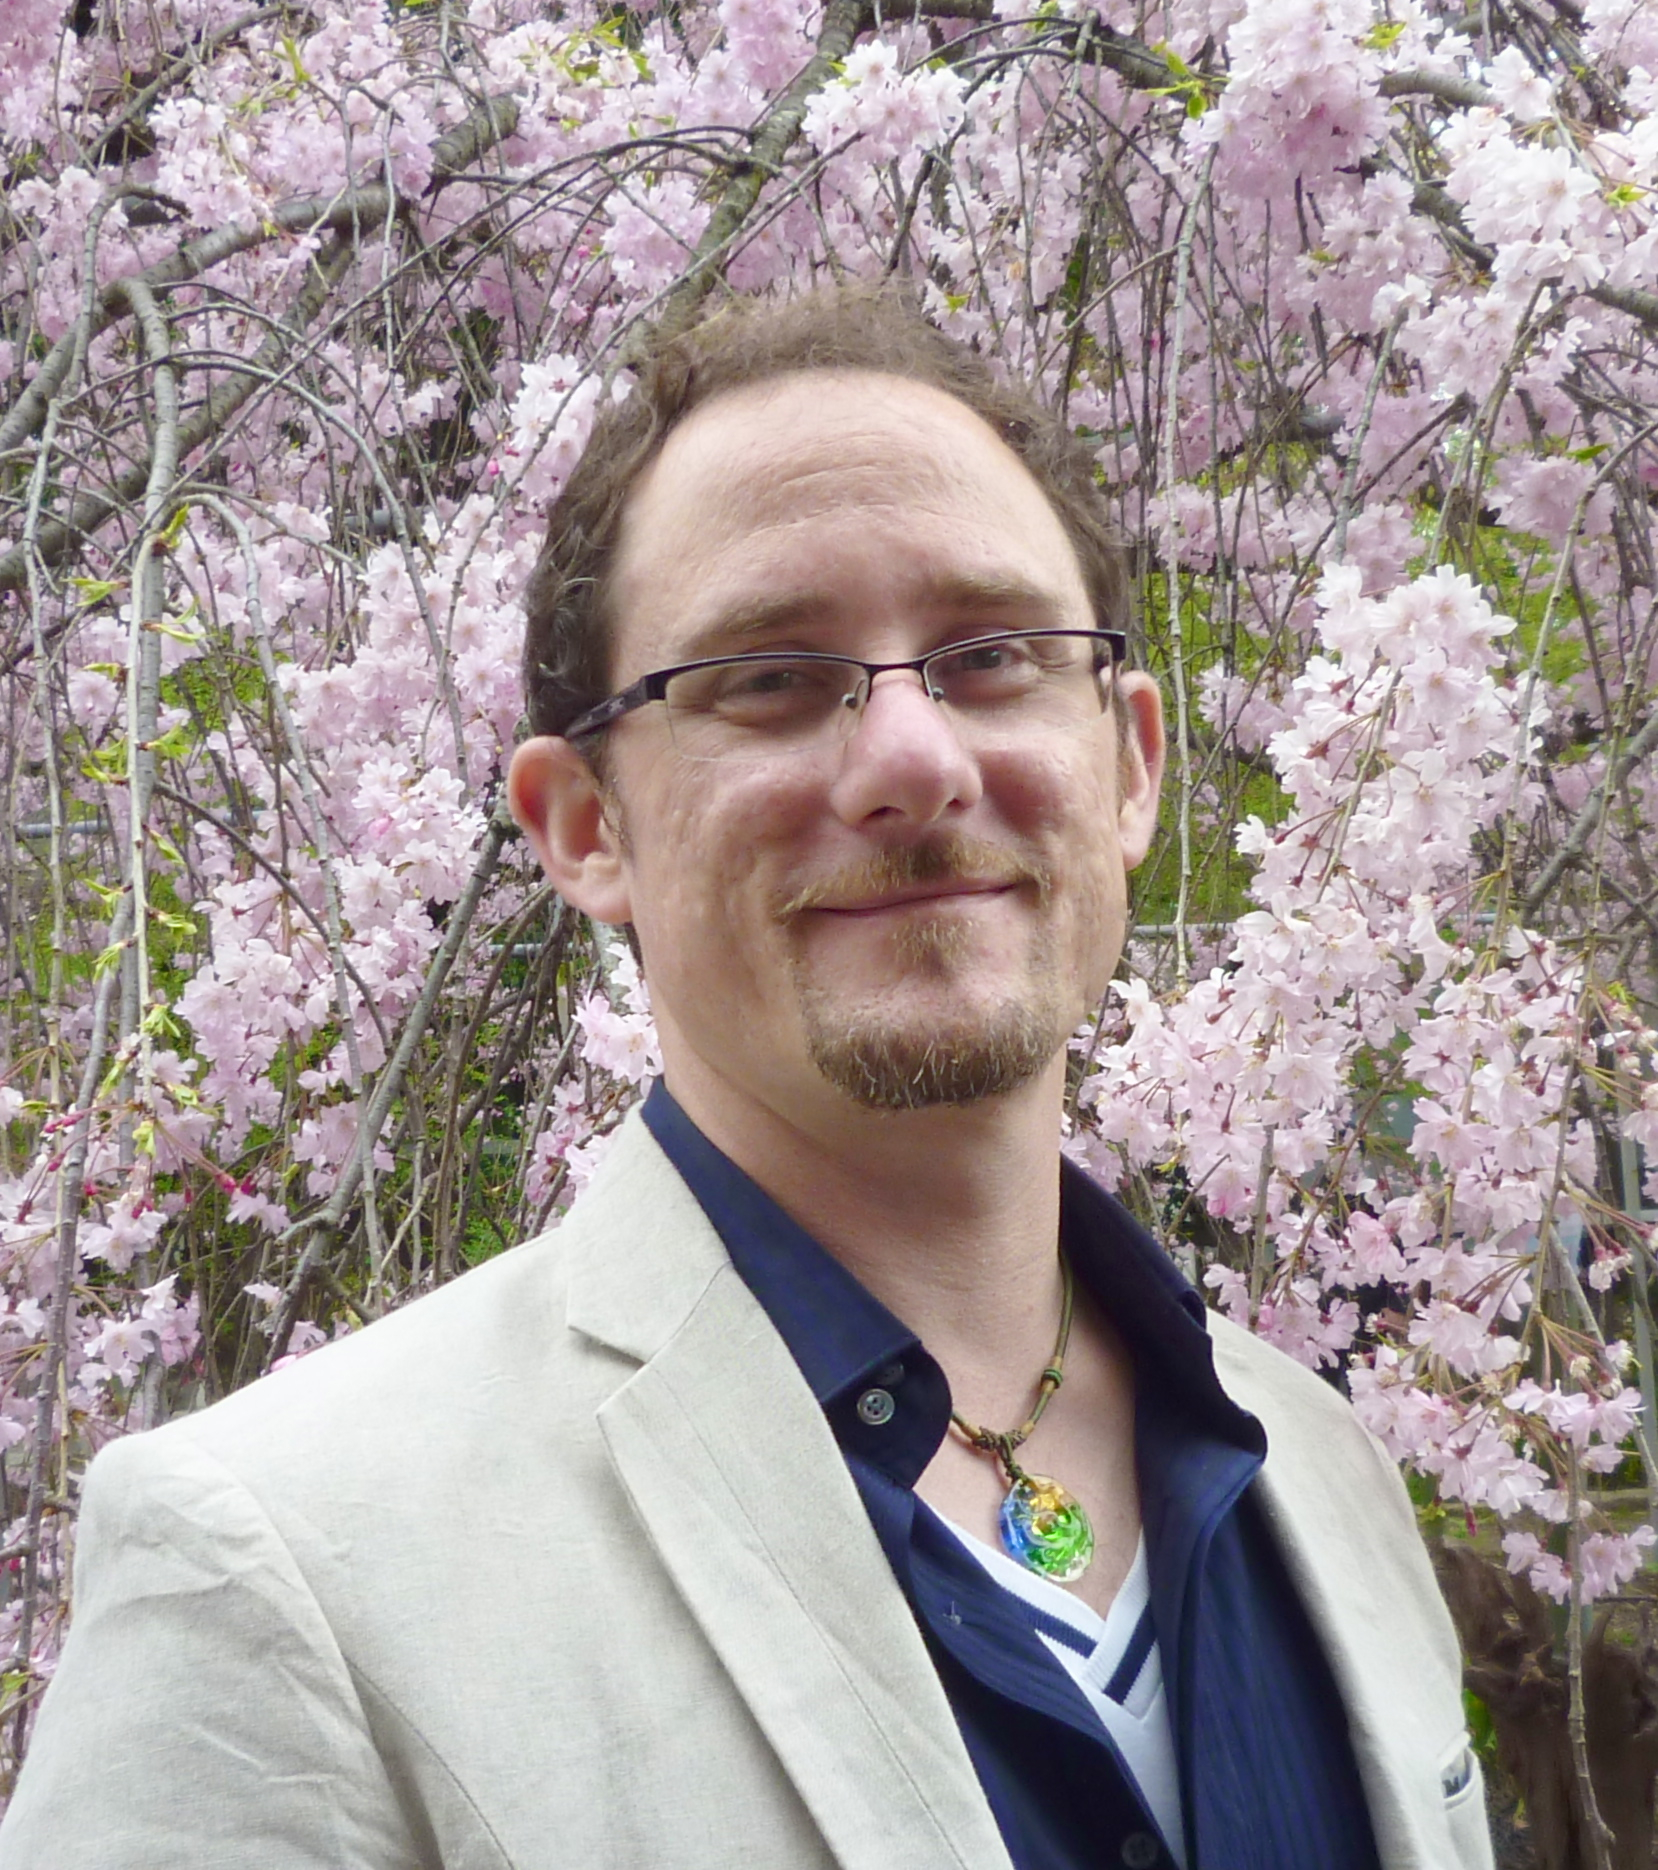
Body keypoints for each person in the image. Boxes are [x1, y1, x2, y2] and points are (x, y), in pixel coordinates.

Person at [2, 289, 1492, 1870]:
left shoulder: (1317, 1469)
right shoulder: (282, 1563)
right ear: (586, 827)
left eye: (992, 654)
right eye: (770, 677)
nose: (913, 761)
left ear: (1127, 764)